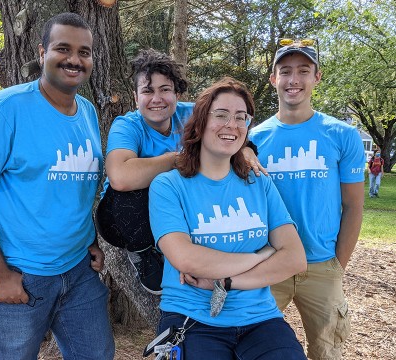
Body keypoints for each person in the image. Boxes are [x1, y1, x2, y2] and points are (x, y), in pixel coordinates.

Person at [0, 13, 114, 359]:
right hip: (20, 276)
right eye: (63, 48)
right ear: (42, 53)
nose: (74, 59)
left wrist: (93, 240)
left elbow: (81, 186)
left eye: (84, 52)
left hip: (78, 272)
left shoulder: (86, 111)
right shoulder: (6, 108)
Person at [148, 77, 307, 359]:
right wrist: (262, 255)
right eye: (221, 115)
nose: (231, 125)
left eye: (240, 117)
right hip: (192, 317)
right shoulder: (168, 186)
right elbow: (186, 259)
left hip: (259, 319)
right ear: (200, 122)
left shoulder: (259, 183)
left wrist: (226, 281)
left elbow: (294, 258)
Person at [95, 49, 263, 295]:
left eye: (165, 89)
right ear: (135, 96)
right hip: (126, 216)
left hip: (183, 205)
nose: (157, 98)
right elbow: (120, 177)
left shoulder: (191, 114)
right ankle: (142, 251)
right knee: (134, 190)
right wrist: (176, 159)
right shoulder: (128, 125)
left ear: (177, 93)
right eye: (148, 91)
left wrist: (247, 149)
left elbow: (229, 127)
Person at [248, 39, 366, 359]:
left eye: (303, 70)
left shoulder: (342, 135)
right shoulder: (254, 140)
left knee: (327, 352)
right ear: (273, 79)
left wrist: (337, 265)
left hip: (322, 267)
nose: (294, 80)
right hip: (270, 265)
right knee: (254, 347)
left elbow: (354, 205)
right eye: (285, 71)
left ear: (317, 77)